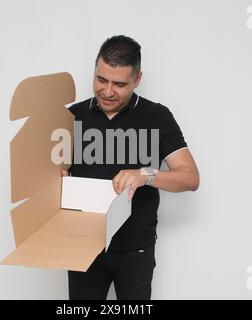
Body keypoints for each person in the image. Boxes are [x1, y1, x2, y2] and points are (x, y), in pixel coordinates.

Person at [61, 35, 200, 300]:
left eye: (119, 84)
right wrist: (54, 178)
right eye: (101, 80)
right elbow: (47, 175)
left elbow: (190, 178)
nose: (108, 91)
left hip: (135, 251)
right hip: (82, 246)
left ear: (137, 80)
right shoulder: (70, 116)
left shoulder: (157, 116)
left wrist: (144, 174)